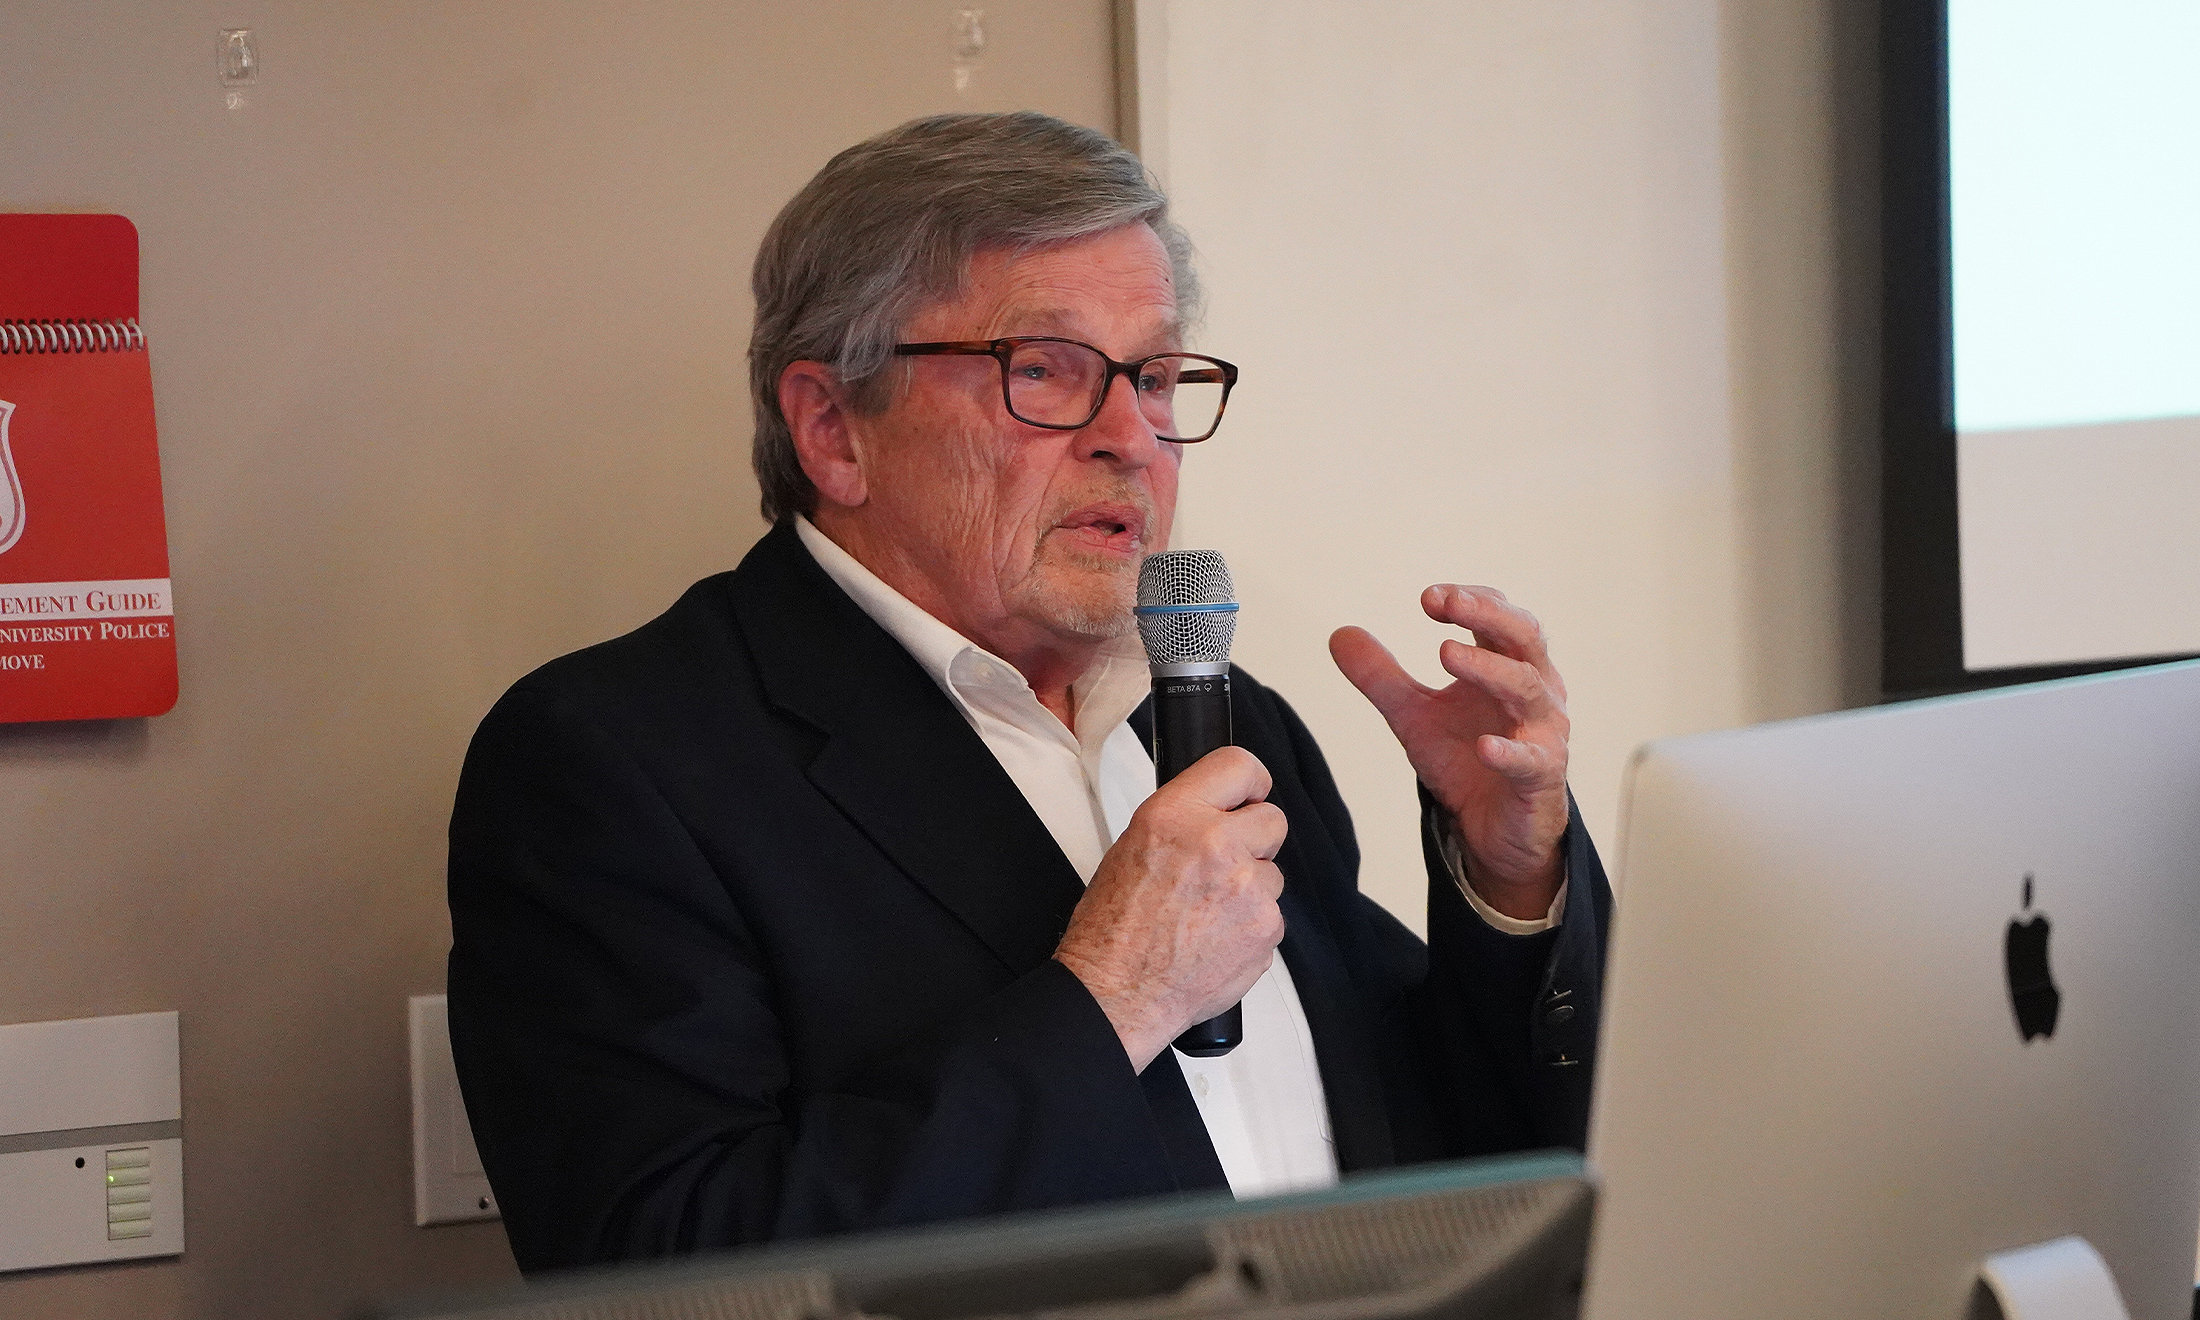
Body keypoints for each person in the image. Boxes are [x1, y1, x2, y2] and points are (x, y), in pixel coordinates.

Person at [447, 111, 1611, 1276]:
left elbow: (1430, 1149)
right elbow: (666, 1271)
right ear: (834, 430)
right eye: (1045, 370)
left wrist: (1510, 881)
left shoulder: (1225, 716)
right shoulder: (610, 764)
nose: (1132, 439)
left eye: (1156, 377)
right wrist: (1110, 998)